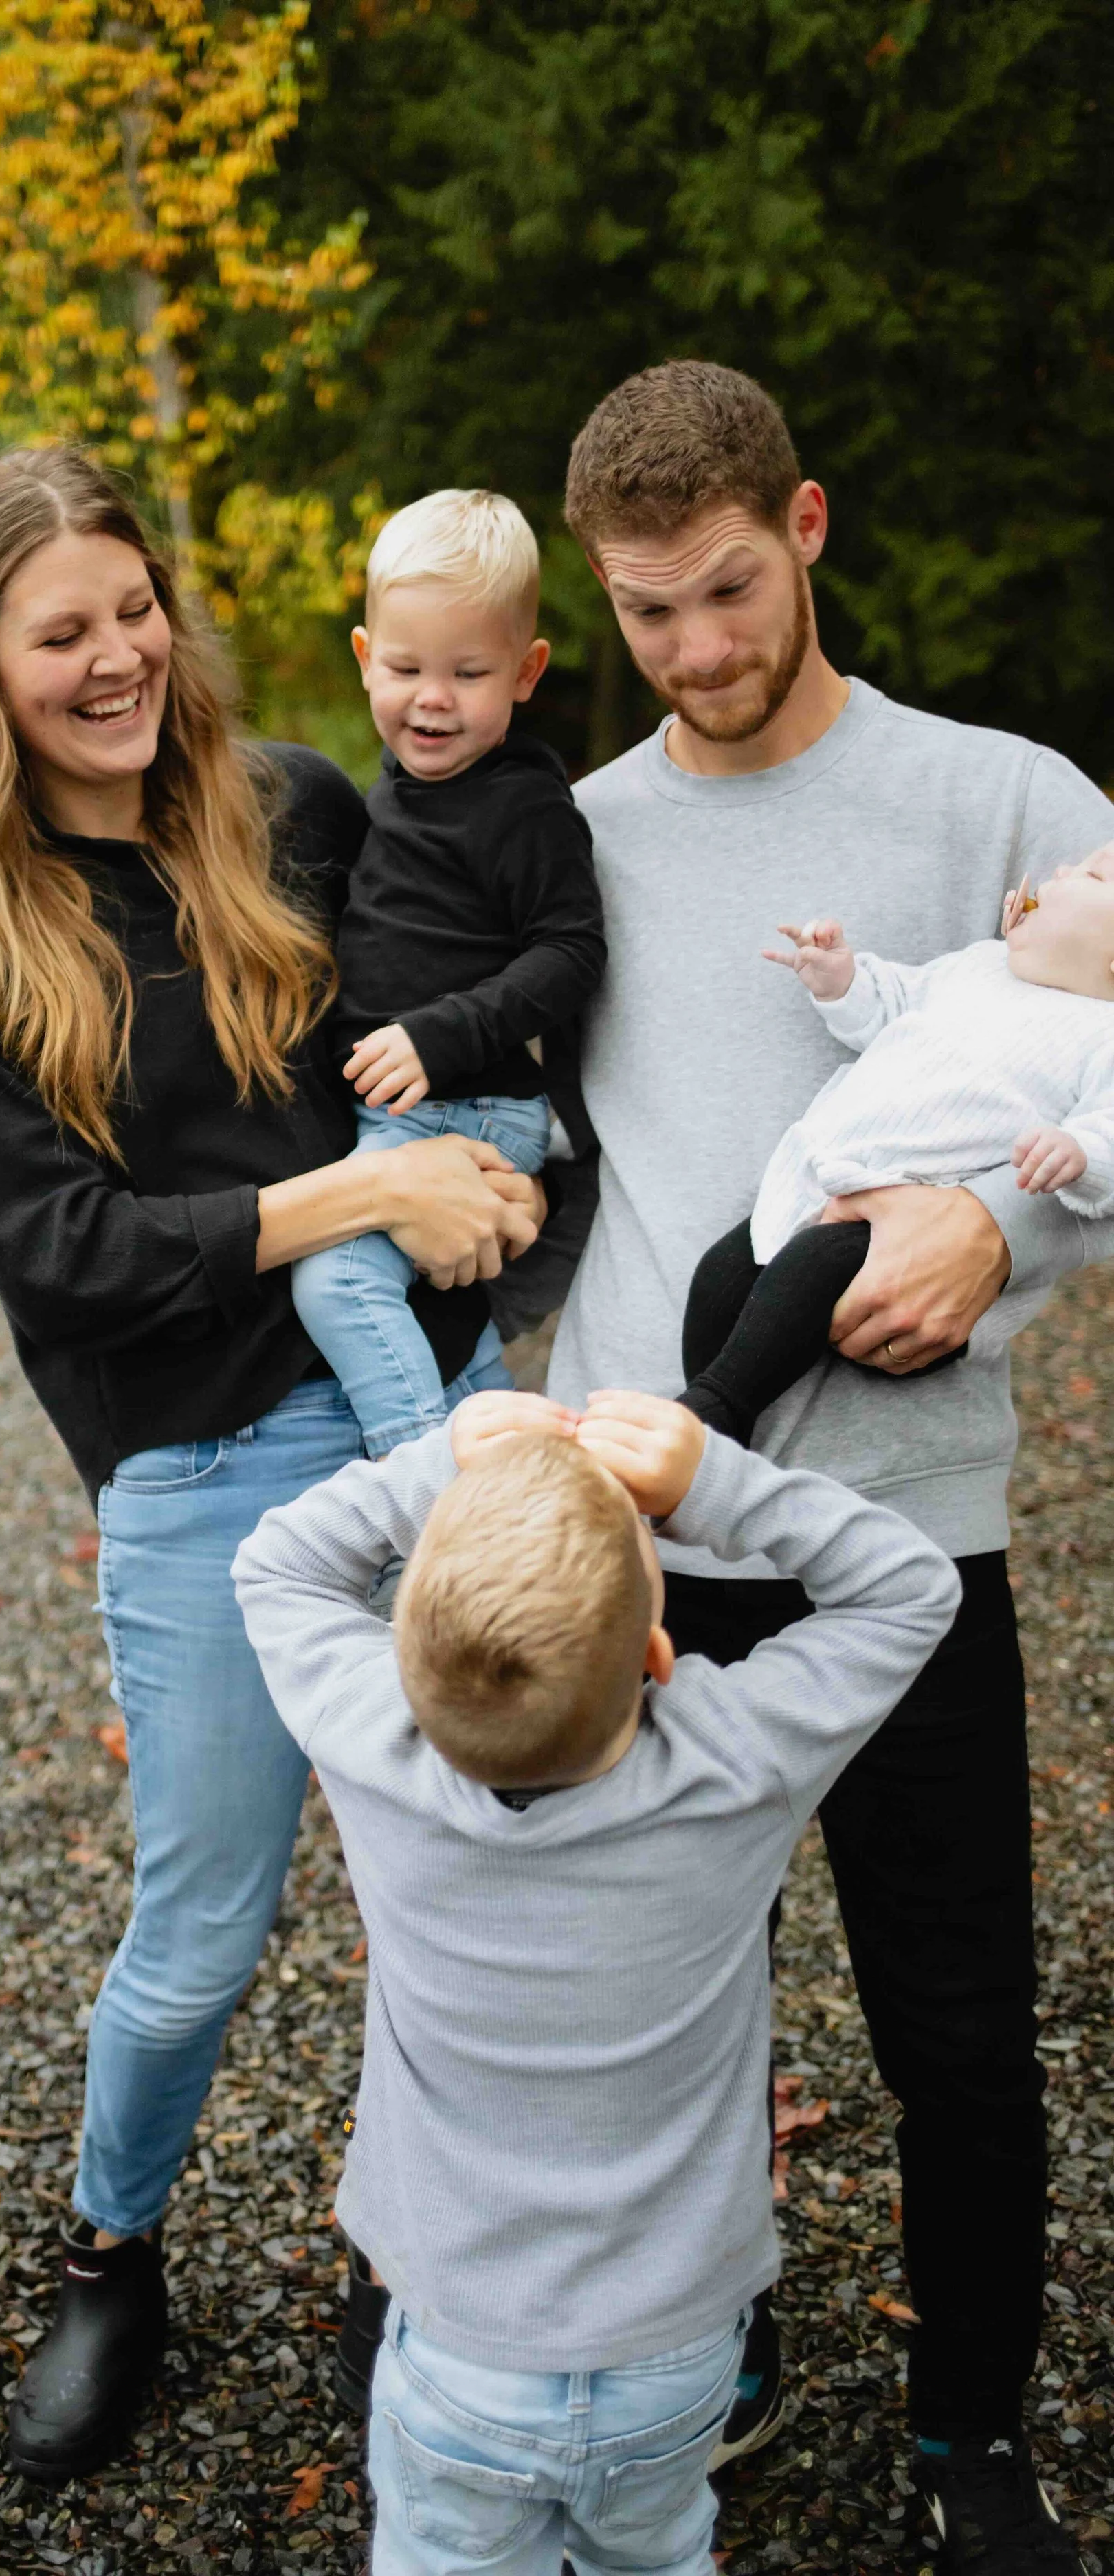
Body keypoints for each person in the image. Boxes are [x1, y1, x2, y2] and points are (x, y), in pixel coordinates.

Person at [0, 444, 542, 2485]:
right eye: (58, 630)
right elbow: (58, 1256)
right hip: (198, 1466)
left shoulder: (288, 808)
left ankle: (416, 2251)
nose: (115, 654)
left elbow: (468, 996)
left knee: (472, 1880)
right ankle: (110, 2252)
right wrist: (343, 1200)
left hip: (432, 1400)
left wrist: (472, 1187)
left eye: (131, 607)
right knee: (199, 1929)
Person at [518, 357, 1113, 2571]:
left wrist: (1007, 1224)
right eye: (643, 610)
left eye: (725, 588)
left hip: (902, 1517)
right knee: (654, 1987)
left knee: (952, 2008)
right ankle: (700, 2334)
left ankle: (969, 2429)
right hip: (642, 1515)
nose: (688, 648)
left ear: (807, 524)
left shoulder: (1004, 803)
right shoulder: (570, 828)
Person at [232, 1386, 959, 2576]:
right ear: (661, 1654)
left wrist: (439, 1466)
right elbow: (913, 1584)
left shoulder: (377, 1742)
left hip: (458, 2350)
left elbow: (277, 1563)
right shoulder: (736, 1760)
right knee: (660, 2555)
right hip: (677, 2355)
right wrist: (715, 1487)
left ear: (409, 1660)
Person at [289, 487, 604, 1455]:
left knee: (334, 1278)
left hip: (465, 1102)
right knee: (424, 1305)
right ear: (363, 658)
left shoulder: (523, 806)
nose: (432, 697)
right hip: (402, 1108)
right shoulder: (394, 785)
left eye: (469, 671)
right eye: (405, 666)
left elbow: (573, 952)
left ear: (526, 671)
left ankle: (424, 1469)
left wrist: (443, 1033)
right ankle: (493, 1445)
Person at [680, 864, 1114, 1443]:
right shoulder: (980, 965)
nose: (1058, 871)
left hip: (908, 1221)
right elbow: (898, 1000)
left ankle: (718, 1409)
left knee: (808, 1271)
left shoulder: (1103, 1035)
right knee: (722, 1273)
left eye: (1091, 875)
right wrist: (844, 979)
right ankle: (698, 1415)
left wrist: (1078, 1152)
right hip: (832, 1174)